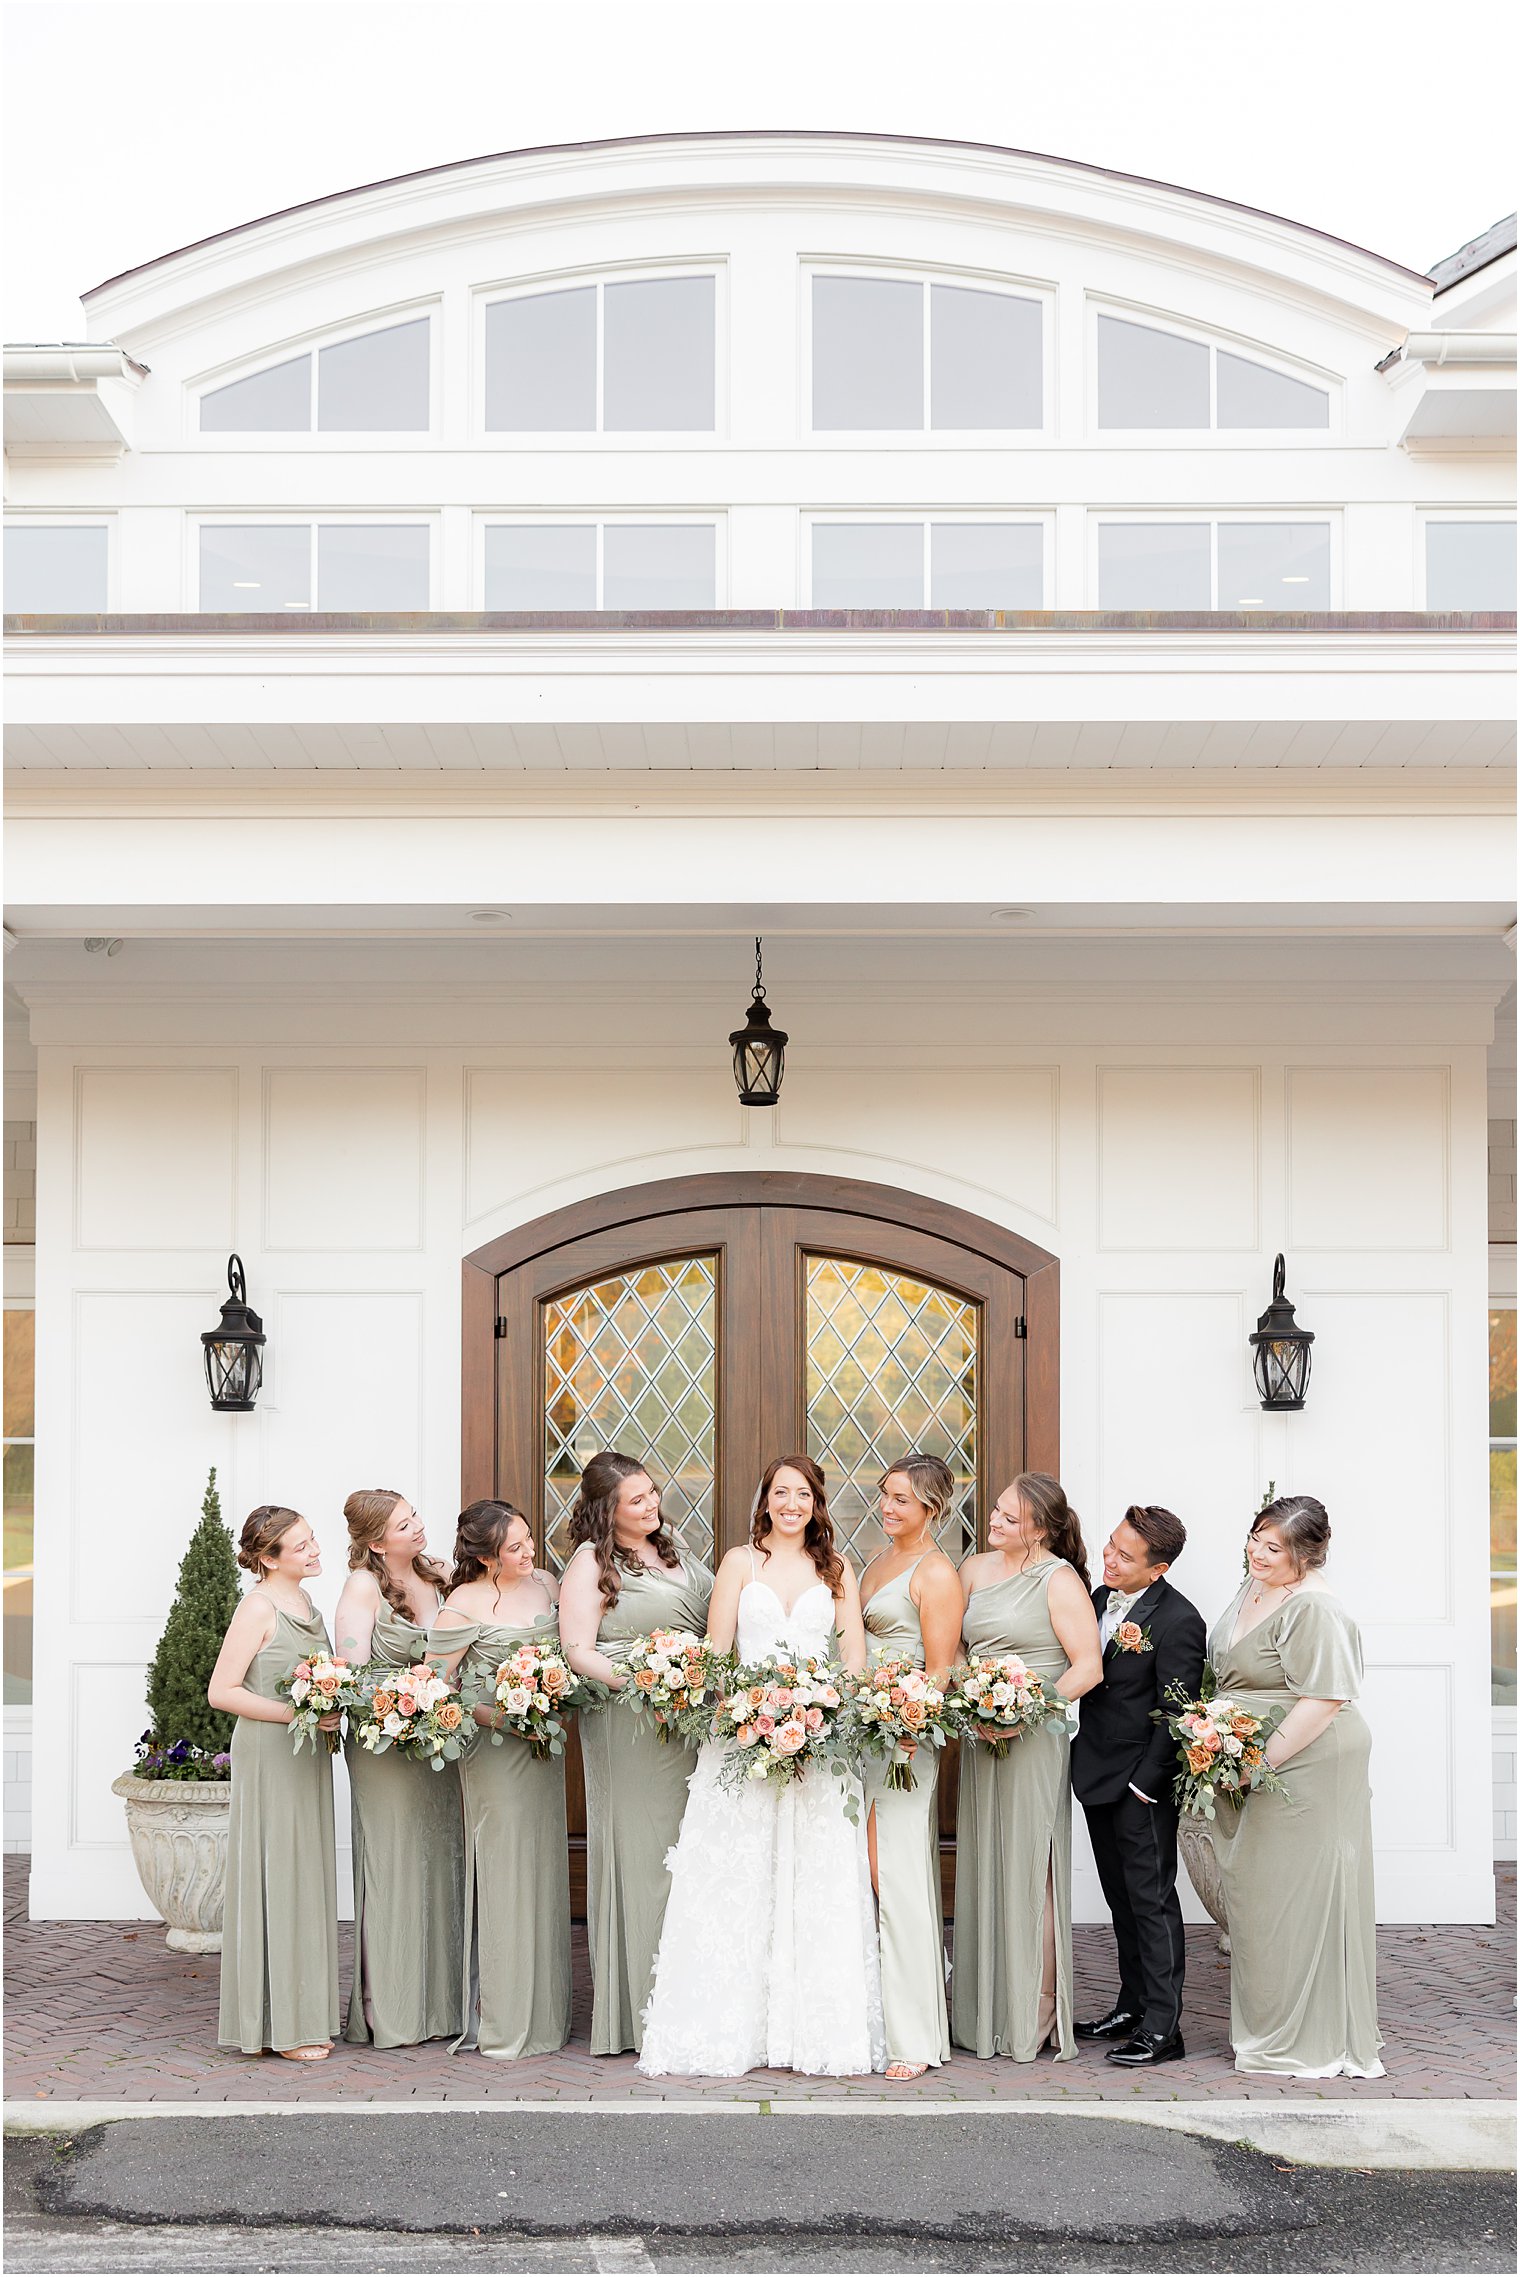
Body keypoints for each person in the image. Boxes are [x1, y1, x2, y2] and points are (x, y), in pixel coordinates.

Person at [639, 1454, 884, 2078]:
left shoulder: (836, 1567)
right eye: (781, 1493)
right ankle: (729, 2029)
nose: (792, 1504)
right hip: (743, 1739)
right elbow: (718, 1653)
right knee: (740, 1875)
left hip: (819, 1740)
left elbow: (852, 1653)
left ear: (817, 1502)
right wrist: (750, 1715)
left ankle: (814, 2033)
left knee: (813, 1877)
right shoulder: (739, 1563)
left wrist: (827, 1712)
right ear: (764, 1500)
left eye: (803, 1494)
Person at [1207, 1494, 1383, 2078]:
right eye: (1256, 1537)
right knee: (1261, 1900)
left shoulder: (1315, 1608)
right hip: (1259, 1757)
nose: (1258, 1552)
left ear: (1307, 1555)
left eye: (1274, 1546)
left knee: (1298, 1898)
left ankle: (1310, 2036)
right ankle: (1267, 2025)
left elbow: (1326, 1699)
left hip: (1308, 1761)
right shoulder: (1254, 1587)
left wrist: (1257, 1760)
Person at [558, 1451, 713, 2057]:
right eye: (637, 1500)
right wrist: (647, 1680)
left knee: (685, 1858)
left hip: (685, 1723)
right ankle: (638, 2012)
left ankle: (690, 2002)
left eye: (652, 1493)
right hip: (628, 1725)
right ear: (606, 1511)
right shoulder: (590, 1564)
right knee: (642, 1858)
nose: (651, 1505)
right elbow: (578, 1649)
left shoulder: (670, 1550)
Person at [951, 1472, 1103, 2063]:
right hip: (981, 1731)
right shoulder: (973, 1570)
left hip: (1034, 1737)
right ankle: (981, 2012)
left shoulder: (1058, 1580)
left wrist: (1025, 1710)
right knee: (985, 1861)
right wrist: (975, 1692)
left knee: (1029, 1867)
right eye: (994, 1512)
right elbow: (958, 1645)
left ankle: (1030, 2015)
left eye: (1010, 1519)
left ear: (1040, 1530)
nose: (994, 1523)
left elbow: (1086, 1667)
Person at [428, 1501, 571, 2062]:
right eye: (515, 1547)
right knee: (506, 1871)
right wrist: (499, 1715)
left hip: (544, 1750)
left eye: (529, 1540)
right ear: (486, 1557)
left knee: (541, 1869)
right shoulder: (462, 1606)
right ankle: (506, 2018)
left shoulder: (546, 1584)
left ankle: (547, 2017)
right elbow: (437, 1688)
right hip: (494, 1752)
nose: (529, 1551)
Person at [1069, 1503, 1206, 2067]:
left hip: (1139, 1787)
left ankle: (1163, 2028)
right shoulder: (1099, 1601)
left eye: (1125, 1556)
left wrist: (1146, 1787)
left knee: (1151, 1902)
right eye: (1110, 1544)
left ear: (1158, 1569)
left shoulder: (1178, 1620)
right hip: (1095, 1774)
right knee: (1119, 1900)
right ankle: (1131, 2006)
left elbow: (1180, 1713)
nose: (1109, 1558)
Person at [208, 1504, 340, 2061]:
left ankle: (301, 2013)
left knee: (305, 1876)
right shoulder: (257, 1608)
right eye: (302, 1545)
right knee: (278, 1876)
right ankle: (279, 2025)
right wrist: (296, 1715)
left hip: (307, 1756)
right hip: (270, 1753)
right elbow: (222, 1691)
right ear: (268, 1558)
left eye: (313, 1540)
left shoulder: (306, 1602)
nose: (315, 1550)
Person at [333, 1487, 464, 2050]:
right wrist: (409, 1696)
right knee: (395, 1864)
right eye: (404, 1523)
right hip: (384, 1745)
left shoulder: (437, 1577)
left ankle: (443, 2006)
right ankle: (393, 2010)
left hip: (439, 1743)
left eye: (415, 1517)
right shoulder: (363, 1586)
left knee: (441, 1861)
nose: (417, 1527)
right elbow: (350, 1671)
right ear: (374, 1541)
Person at [859, 1453, 964, 2079]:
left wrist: (909, 1726)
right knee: (871, 1872)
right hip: (863, 1732)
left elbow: (941, 1669)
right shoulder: (878, 1562)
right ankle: (879, 2017)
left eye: (900, 1499)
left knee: (896, 1873)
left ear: (931, 1506)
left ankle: (917, 2038)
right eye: (885, 1495)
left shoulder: (936, 1573)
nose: (888, 1507)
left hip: (904, 1737)